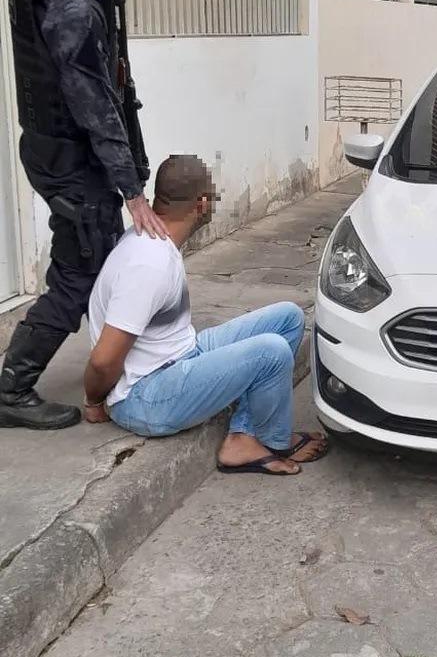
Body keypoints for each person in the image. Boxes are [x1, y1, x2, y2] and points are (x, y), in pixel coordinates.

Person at [1, 0, 167, 430]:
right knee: (78, 271)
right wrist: (132, 189)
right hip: (74, 160)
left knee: (98, 262)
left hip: (57, 151)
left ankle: (116, 361)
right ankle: (11, 387)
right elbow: (92, 100)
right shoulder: (70, 4)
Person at [83, 154, 327, 476]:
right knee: (273, 352)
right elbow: (103, 360)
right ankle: (273, 441)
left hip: (180, 355)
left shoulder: (153, 240)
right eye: (213, 196)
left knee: (289, 318)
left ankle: (243, 436)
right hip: (144, 396)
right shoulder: (148, 264)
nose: (214, 203)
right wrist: (94, 403)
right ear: (200, 204)